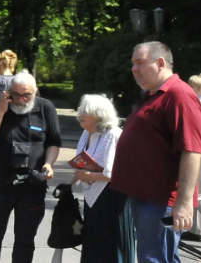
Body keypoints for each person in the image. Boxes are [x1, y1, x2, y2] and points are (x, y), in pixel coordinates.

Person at [111, 41, 201, 263]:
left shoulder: (179, 95)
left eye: (140, 63)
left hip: (161, 201)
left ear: (160, 63)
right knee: (160, 257)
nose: (134, 68)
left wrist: (183, 201)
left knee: (155, 259)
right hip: (148, 198)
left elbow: (192, 150)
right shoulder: (156, 94)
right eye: (133, 63)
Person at [0, 71, 61, 263]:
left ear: (35, 91)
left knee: (25, 239)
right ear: (8, 92)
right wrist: (1, 111)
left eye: (27, 95)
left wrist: (49, 163)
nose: (21, 100)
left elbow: (54, 142)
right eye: (16, 95)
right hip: (0, 184)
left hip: (32, 185)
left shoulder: (45, 108)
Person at [71, 94, 134, 263]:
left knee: (111, 247)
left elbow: (117, 174)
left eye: (86, 111)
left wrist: (89, 175)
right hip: (92, 198)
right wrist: (70, 183)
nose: (80, 114)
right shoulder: (86, 134)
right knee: (94, 245)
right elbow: (80, 162)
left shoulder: (113, 135)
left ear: (99, 115)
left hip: (113, 199)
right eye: (80, 110)